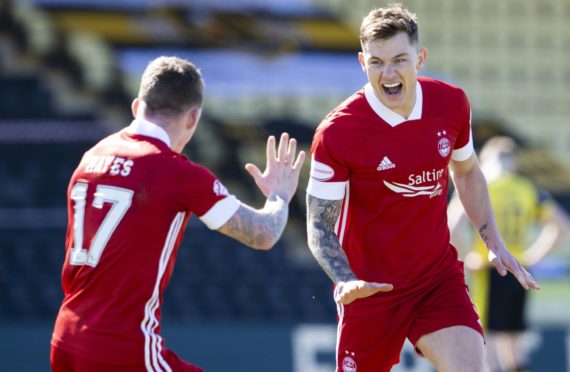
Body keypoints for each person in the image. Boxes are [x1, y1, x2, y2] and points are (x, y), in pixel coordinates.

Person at [305, 4, 539, 372]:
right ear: (362, 63)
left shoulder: (450, 104)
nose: (389, 72)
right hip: (370, 290)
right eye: (377, 62)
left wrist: (494, 243)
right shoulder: (337, 133)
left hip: (435, 280)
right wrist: (346, 280)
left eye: (399, 59)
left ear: (421, 58)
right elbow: (319, 226)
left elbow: (467, 172)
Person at [50, 56, 306, 371]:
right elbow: (264, 234)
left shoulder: (92, 156)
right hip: (122, 348)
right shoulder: (177, 173)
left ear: (135, 106)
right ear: (193, 118)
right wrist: (279, 195)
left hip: (65, 338)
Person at [448, 136, 569, 372]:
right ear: (512, 162)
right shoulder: (527, 189)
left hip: (489, 268)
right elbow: (561, 225)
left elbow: (451, 225)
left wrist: (465, 257)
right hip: (519, 268)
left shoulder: (479, 185)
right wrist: (534, 256)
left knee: (488, 338)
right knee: (513, 343)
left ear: (485, 160)